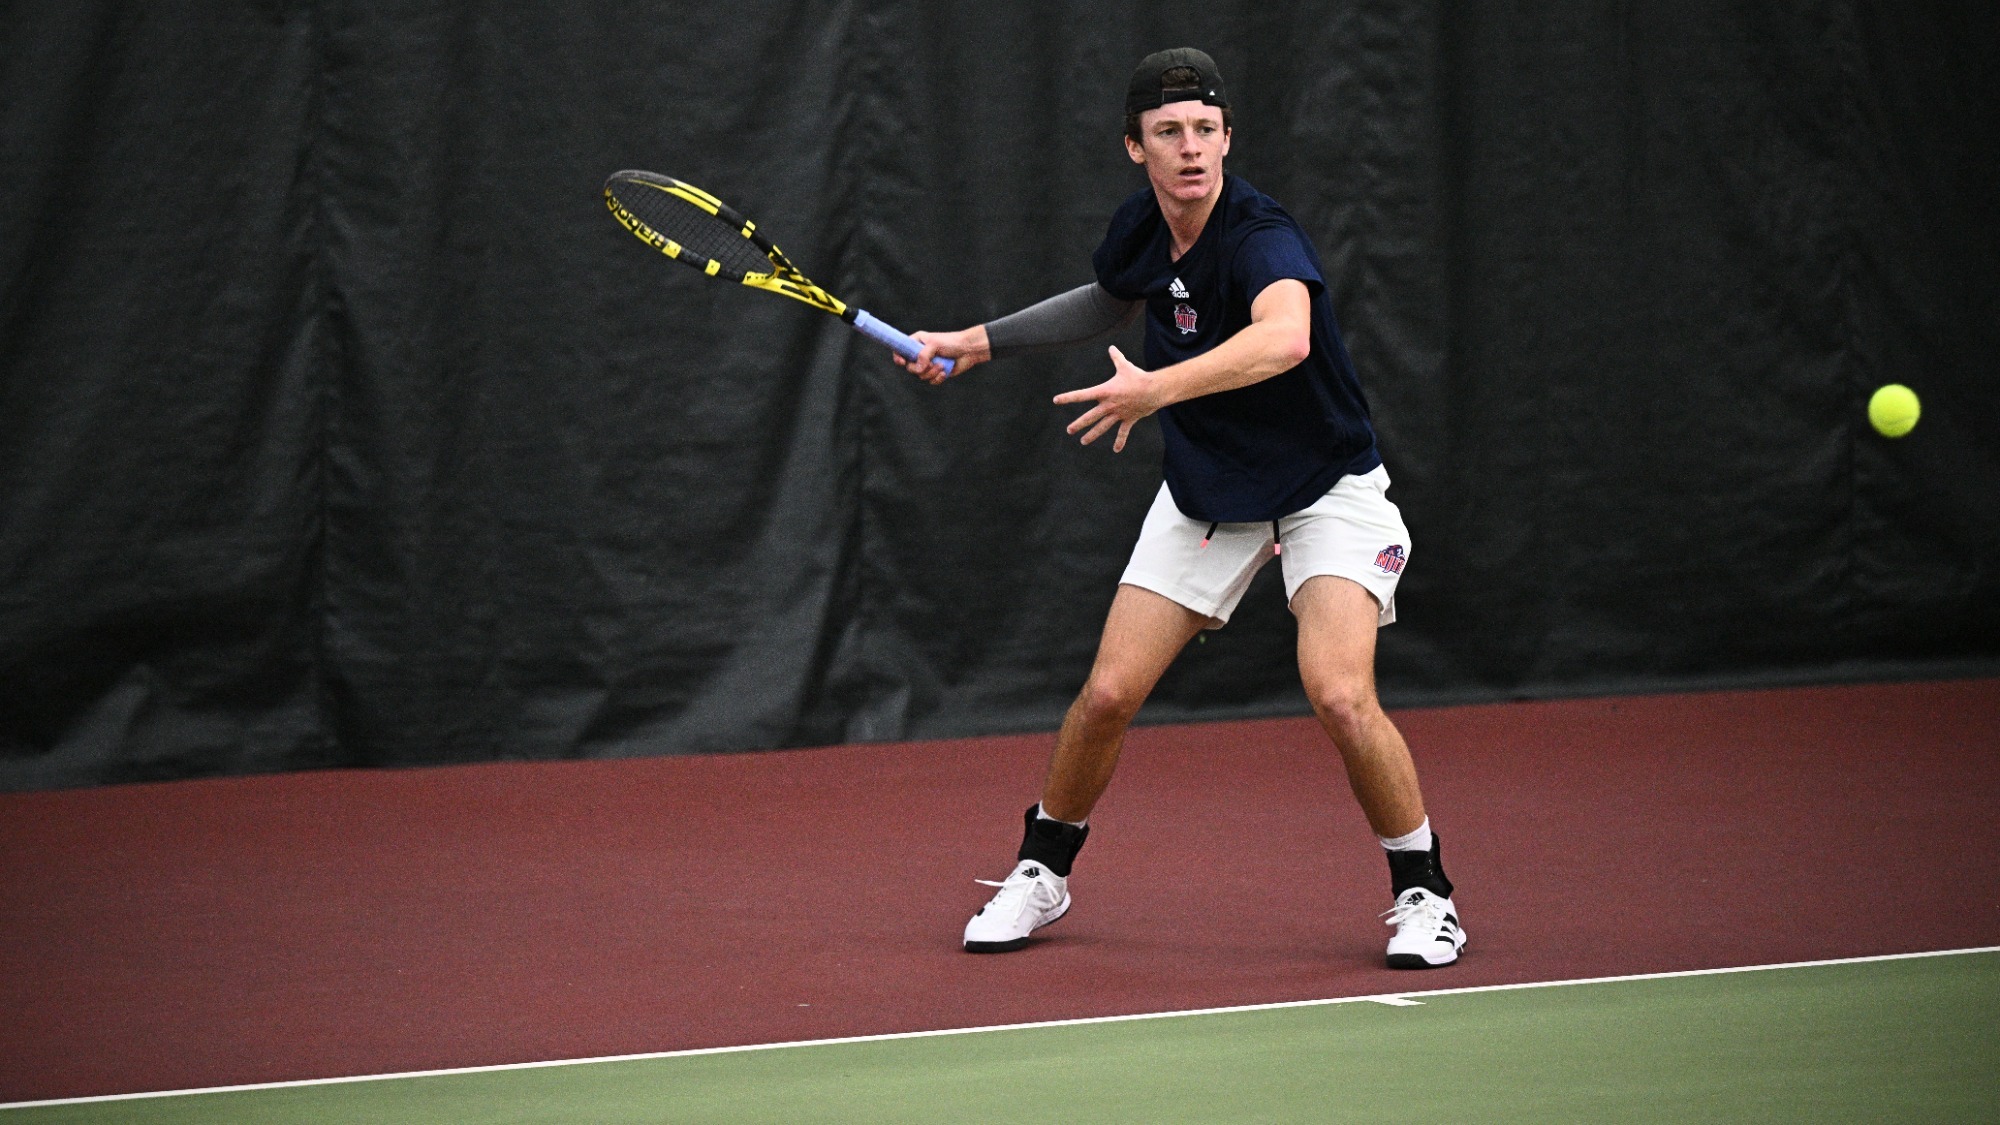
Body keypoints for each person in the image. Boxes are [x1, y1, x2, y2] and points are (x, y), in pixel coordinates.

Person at [897, 48, 1465, 969]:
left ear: (1228, 139)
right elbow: (1107, 300)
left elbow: (1285, 338)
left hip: (1327, 489)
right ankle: (1043, 870)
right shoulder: (1142, 229)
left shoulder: (1259, 235)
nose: (1191, 149)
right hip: (1211, 490)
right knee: (1109, 692)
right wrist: (976, 343)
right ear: (1136, 148)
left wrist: (1155, 390)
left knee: (1341, 693)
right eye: (1169, 133)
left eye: (1206, 130)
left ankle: (1425, 894)